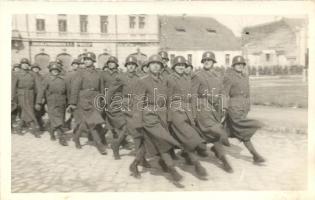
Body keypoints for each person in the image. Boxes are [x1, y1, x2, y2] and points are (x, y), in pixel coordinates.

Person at [132, 54, 183, 183]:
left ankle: (134, 165)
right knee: (163, 140)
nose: (155, 66)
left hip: (161, 115)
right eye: (153, 64)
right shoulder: (142, 81)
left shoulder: (164, 80)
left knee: (150, 142)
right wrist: (137, 122)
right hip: (148, 115)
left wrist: (169, 116)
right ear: (148, 66)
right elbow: (138, 102)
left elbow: (168, 99)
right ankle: (172, 169)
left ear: (162, 67)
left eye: (158, 64)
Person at [166, 56, 208, 178]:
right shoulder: (169, 79)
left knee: (187, 139)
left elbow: (192, 97)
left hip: (187, 111)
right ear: (174, 67)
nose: (180, 67)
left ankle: (190, 159)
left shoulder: (187, 78)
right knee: (189, 138)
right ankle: (197, 165)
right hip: (176, 111)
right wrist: (169, 117)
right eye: (178, 65)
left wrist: (193, 114)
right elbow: (167, 98)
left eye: (183, 65)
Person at [191, 51, 233, 173]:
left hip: (216, 109)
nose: (207, 62)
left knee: (213, 136)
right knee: (217, 131)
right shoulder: (197, 75)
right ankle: (223, 158)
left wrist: (224, 107)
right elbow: (193, 95)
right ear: (202, 62)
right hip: (203, 108)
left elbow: (223, 93)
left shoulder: (218, 75)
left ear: (213, 62)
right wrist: (193, 113)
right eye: (205, 60)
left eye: (209, 60)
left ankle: (223, 160)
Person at [223, 55, 266, 164]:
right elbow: (224, 94)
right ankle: (255, 155)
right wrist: (224, 108)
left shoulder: (245, 76)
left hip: (243, 108)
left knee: (227, 132)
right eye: (238, 64)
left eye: (242, 64)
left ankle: (210, 146)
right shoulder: (229, 77)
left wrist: (248, 106)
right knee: (243, 131)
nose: (240, 66)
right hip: (234, 108)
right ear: (233, 65)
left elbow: (247, 93)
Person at [68, 52, 107, 155]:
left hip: (96, 98)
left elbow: (101, 87)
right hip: (84, 99)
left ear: (93, 61)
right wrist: (73, 102)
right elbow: (75, 88)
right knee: (92, 123)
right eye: (85, 60)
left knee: (86, 122)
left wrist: (102, 99)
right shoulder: (80, 72)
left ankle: (76, 137)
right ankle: (100, 145)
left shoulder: (99, 73)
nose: (86, 61)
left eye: (89, 59)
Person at [120, 55, 150, 177]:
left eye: (133, 65)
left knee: (140, 134)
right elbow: (112, 91)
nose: (131, 66)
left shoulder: (140, 77)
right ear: (126, 66)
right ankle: (139, 161)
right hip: (127, 106)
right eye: (129, 64)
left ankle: (141, 159)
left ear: (136, 66)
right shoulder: (121, 77)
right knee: (137, 134)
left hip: (139, 106)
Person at [35, 62, 68, 146]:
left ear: (59, 70)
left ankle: (52, 132)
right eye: (53, 70)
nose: (55, 72)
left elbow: (68, 91)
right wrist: (38, 102)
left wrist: (70, 102)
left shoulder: (63, 79)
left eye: (56, 70)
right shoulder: (47, 79)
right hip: (51, 101)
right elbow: (41, 91)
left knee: (60, 118)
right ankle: (62, 138)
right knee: (56, 119)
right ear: (50, 71)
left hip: (62, 101)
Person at [11, 58, 41, 138]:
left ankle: (19, 127)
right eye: (23, 64)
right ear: (21, 65)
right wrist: (12, 98)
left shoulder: (33, 74)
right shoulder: (16, 74)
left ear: (29, 65)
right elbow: (13, 87)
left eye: (27, 64)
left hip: (31, 94)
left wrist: (39, 99)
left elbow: (38, 87)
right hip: (21, 94)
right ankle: (35, 129)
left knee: (26, 111)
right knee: (29, 111)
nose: (25, 65)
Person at [64, 58, 80, 130]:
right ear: (72, 65)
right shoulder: (69, 74)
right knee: (72, 111)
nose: (75, 66)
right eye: (74, 64)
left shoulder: (81, 73)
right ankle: (68, 124)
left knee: (77, 112)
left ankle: (77, 126)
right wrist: (68, 97)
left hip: (79, 95)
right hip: (70, 95)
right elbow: (67, 86)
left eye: (77, 64)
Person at [31, 63, 46, 131]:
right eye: (34, 68)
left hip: (39, 96)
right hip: (31, 95)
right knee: (31, 111)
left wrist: (43, 97)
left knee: (39, 111)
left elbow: (43, 87)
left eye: (37, 68)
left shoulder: (41, 76)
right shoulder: (30, 75)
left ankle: (40, 125)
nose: (35, 69)